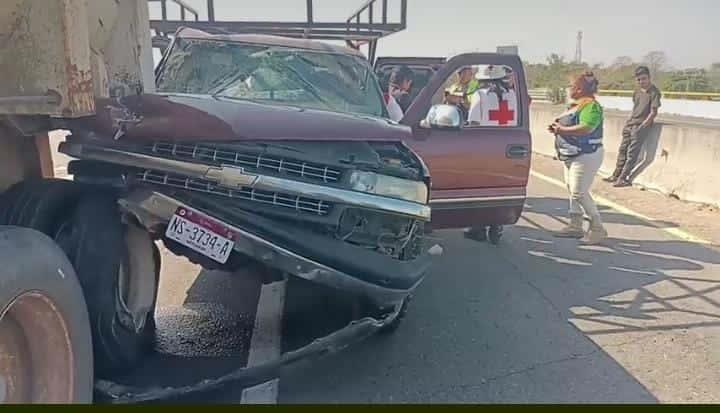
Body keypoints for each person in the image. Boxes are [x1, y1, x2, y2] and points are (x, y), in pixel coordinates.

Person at [548, 71, 607, 244]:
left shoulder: (592, 106)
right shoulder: (576, 105)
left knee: (579, 192)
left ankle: (597, 227)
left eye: (571, 86)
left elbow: (586, 127)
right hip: (571, 153)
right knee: (571, 189)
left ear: (580, 89)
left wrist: (561, 130)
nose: (568, 89)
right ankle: (575, 225)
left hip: (586, 154)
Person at [603, 65, 662, 187]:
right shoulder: (637, 92)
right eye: (639, 79)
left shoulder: (654, 92)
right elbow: (635, 108)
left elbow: (653, 112)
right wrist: (629, 122)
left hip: (641, 126)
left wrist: (643, 126)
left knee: (632, 153)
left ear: (649, 78)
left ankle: (623, 178)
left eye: (644, 79)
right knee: (622, 150)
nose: (642, 82)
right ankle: (616, 174)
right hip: (630, 124)